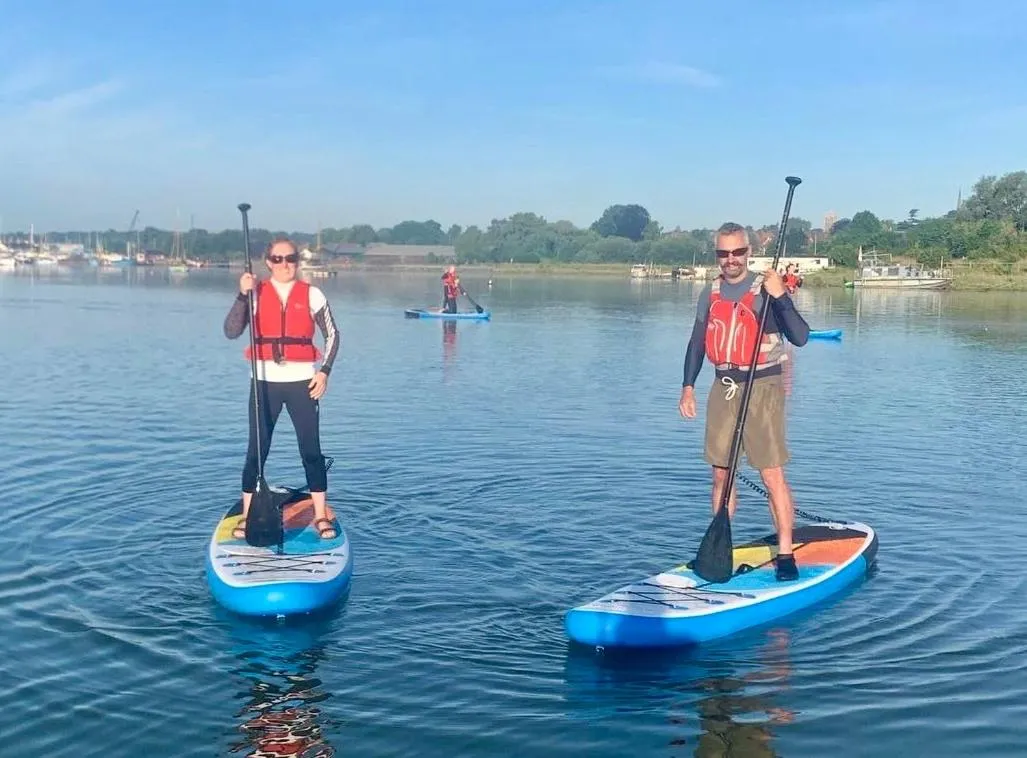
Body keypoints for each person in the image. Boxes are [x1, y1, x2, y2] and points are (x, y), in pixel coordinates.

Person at [677, 222, 810, 581]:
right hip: (724, 384)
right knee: (721, 474)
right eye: (723, 253)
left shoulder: (765, 289)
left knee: (771, 474)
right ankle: (720, 546)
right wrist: (688, 386)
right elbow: (696, 343)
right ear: (717, 255)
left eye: (738, 252)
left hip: (762, 385)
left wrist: (781, 295)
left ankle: (785, 554)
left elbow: (800, 337)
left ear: (748, 252)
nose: (730, 259)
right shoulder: (711, 292)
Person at [223, 238, 341, 540]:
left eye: (290, 258)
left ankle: (319, 516)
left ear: (297, 261)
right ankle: (248, 516)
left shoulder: (312, 294)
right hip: (263, 383)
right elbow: (231, 331)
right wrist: (242, 294)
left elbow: (332, 335)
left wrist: (324, 373)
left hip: (303, 383)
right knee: (256, 453)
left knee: (311, 451)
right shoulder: (255, 293)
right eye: (277, 259)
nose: (284, 264)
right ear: (268, 262)